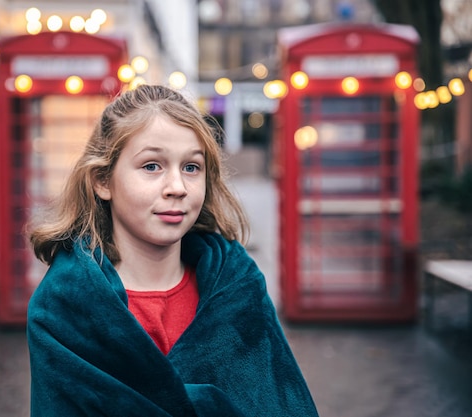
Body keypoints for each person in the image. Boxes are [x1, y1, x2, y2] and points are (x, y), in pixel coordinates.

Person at [26, 84, 319, 417]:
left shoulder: (239, 286)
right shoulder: (64, 307)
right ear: (102, 180)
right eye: (152, 166)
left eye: (191, 167)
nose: (177, 187)